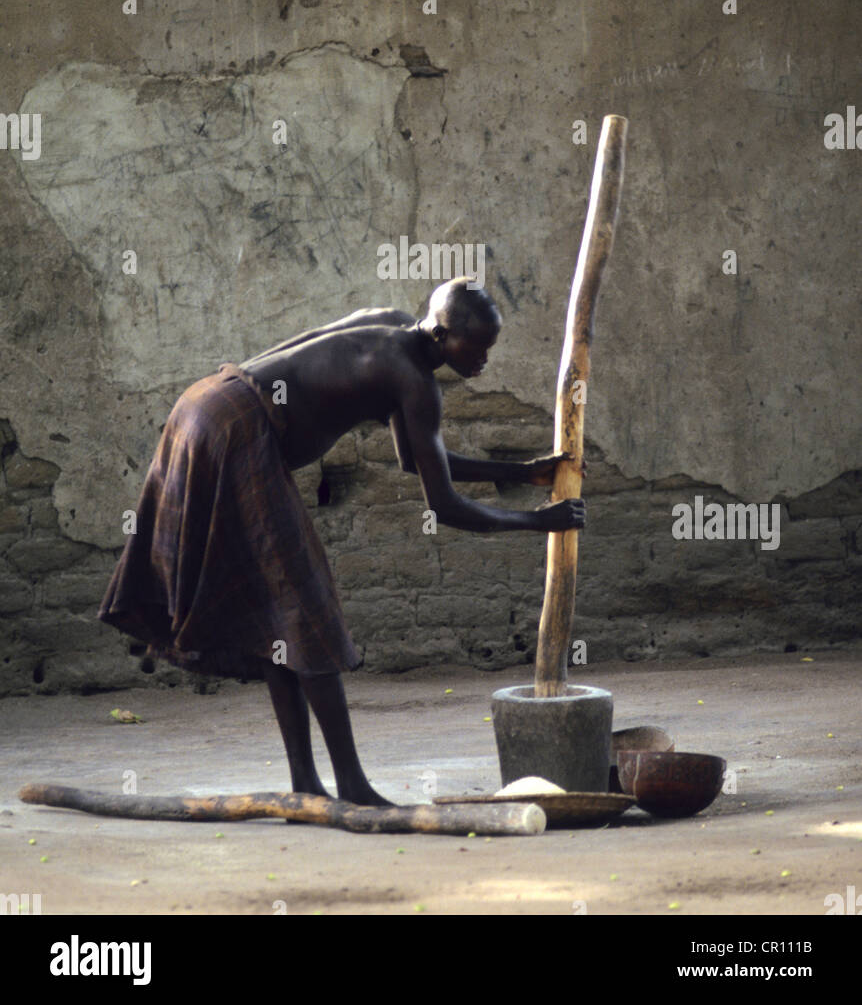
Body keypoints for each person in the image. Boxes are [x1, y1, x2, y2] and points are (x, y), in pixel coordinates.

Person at [100, 278, 585, 807]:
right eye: (480, 348)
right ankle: (351, 785)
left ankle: (307, 786)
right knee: (307, 611)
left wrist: (520, 472)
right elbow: (443, 506)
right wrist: (539, 524)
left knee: (279, 618)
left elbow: (416, 460)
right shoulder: (415, 380)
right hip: (238, 431)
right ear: (443, 334)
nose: (486, 360)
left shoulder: (393, 329)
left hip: (206, 403)